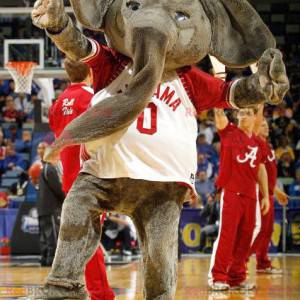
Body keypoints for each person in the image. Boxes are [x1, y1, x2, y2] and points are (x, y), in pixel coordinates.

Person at [49, 58, 115, 300]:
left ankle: (95, 290)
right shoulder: (93, 99)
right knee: (89, 237)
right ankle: (100, 293)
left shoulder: (58, 103)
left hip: (69, 178)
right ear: (90, 71)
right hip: (93, 175)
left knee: (85, 236)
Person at [208, 107, 270, 291]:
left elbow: (260, 169)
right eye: (240, 113)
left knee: (245, 238)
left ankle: (236, 277)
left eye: (247, 114)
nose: (242, 116)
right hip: (232, 192)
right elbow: (219, 115)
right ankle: (218, 276)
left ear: (254, 119)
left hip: (251, 194)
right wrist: (218, 99)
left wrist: (265, 195)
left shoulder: (259, 142)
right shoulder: (229, 132)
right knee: (227, 236)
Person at [249, 105, 289, 273]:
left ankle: (263, 263)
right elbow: (259, 174)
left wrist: (277, 191)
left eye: (266, 125)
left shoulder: (268, 146)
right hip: (260, 193)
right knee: (259, 229)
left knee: (267, 230)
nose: (265, 126)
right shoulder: (256, 144)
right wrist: (260, 106)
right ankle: (242, 259)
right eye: (262, 124)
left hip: (269, 192)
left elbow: (271, 175)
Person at [36, 142, 64, 266]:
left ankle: (44, 258)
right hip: (51, 208)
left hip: (42, 209)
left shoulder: (43, 168)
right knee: (52, 234)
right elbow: (57, 189)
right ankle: (51, 259)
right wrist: (66, 199)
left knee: (45, 235)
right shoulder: (49, 168)